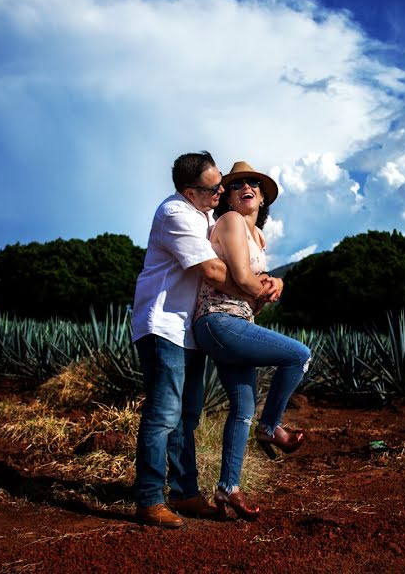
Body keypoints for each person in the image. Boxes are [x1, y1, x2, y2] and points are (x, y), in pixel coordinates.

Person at [131, 151, 277, 528]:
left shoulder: (207, 214)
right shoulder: (174, 214)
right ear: (188, 190)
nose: (220, 192)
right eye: (213, 188)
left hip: (188, 329)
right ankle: (149, 499)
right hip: (162, 324)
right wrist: (253, 291)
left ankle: (185, 494)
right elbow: (213, 271)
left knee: (188, 416)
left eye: (220, 186)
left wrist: (265, 281)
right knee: (164, 415)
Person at [193, 161, 311, 521]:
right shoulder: (228, 222)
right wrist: (269, 285)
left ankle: (228, 489)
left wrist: (276, 283)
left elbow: (254, 292)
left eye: (253, 184)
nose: (246, 187)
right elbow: (244, 279)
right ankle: (270, 426)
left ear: (262, 197)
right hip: (218, 320)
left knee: (242, 407)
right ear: (227, 196)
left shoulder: (258, 237)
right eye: (237, 184)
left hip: (238, 323)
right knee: (298, 355)